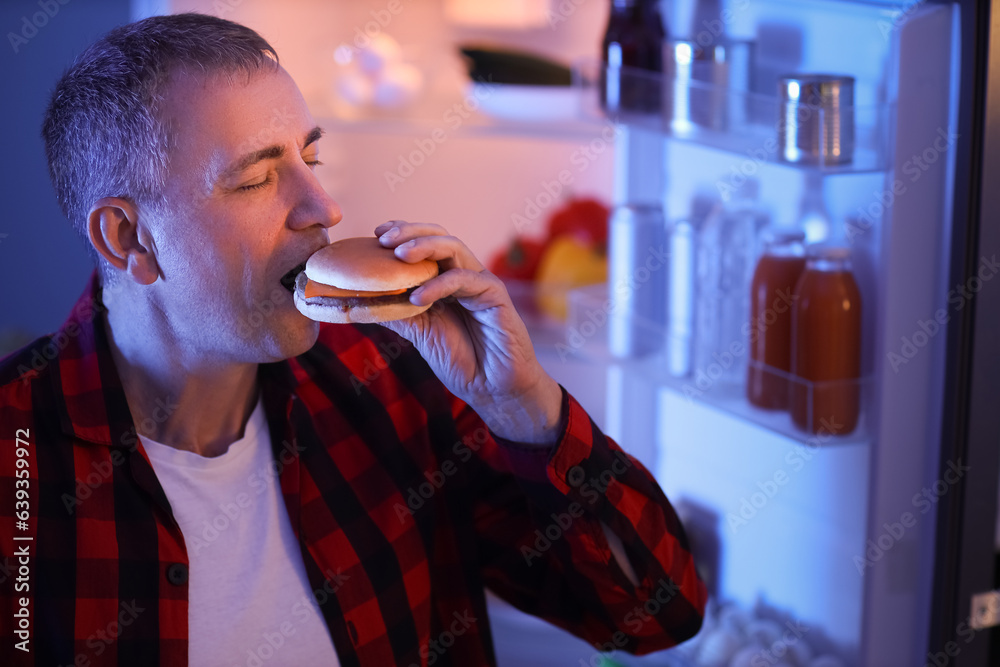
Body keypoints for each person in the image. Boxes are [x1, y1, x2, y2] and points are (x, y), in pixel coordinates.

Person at [0, 13, 705, 667]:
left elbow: (653, 613)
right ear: (129, 238)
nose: (323, 207)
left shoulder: (389, 382)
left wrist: (523, 404)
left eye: (311, 158)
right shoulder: (17, 461)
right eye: (256, 178)